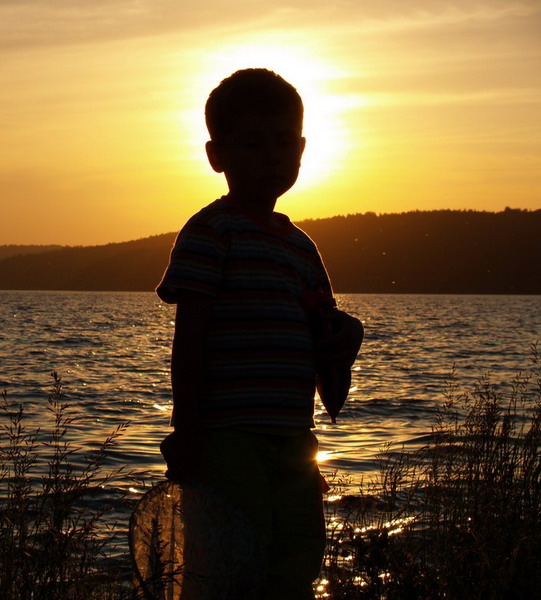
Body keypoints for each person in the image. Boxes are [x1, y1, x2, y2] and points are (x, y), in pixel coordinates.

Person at [156, 68, 363, 600]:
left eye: (282, 143)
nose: (271, 156)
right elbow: (191, 336)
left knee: (293, 564)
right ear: (216, 156)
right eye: (252, 144)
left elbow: (321, 335)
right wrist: (187, 431)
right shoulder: (211, 231)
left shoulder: (302, 247)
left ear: (301, 148)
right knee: (231, 562)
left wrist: (346, 339)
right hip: (228, 438)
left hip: (294, 440)